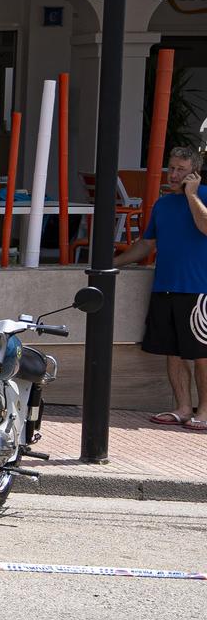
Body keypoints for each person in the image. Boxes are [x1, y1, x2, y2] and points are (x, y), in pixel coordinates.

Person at [118, 144, 207, 429]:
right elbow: (146, 244)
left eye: (181, 169)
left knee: (201, 354)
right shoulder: (162, 205)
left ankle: (204, 411)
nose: (173, 174)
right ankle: (182, 407)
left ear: (195, 172)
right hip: (164, 287)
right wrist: (113, 263)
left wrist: (192, 195)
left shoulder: (202, 197)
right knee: (173, 351)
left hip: (198, 288)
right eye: (172, 167)